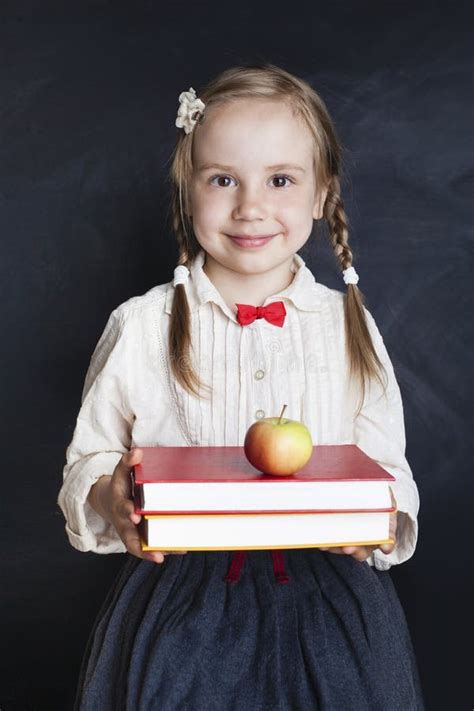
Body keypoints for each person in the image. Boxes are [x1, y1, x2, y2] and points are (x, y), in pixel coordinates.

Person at [58, 63, 424, 709]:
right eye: (223, 179)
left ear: (321, 194)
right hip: (182, 606)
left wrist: (381, 524)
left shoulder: (347, 324)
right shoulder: (142, 325)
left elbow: (388, 468)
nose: (250, 206)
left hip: (331, 606)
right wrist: (109, 495)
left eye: (280, 179)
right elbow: (89, 459)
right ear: (187, 190)